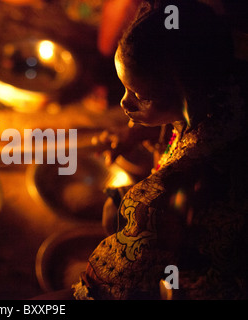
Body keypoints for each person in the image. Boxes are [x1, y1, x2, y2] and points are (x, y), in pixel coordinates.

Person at [73, 0, 248, 299]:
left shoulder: (166, 193)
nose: (124, 104)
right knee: (116, 209)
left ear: (186, 95)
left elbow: (96, 293)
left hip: (223, 275)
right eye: (126, 89)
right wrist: (139, 128)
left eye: (141, 96)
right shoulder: (226, 80)